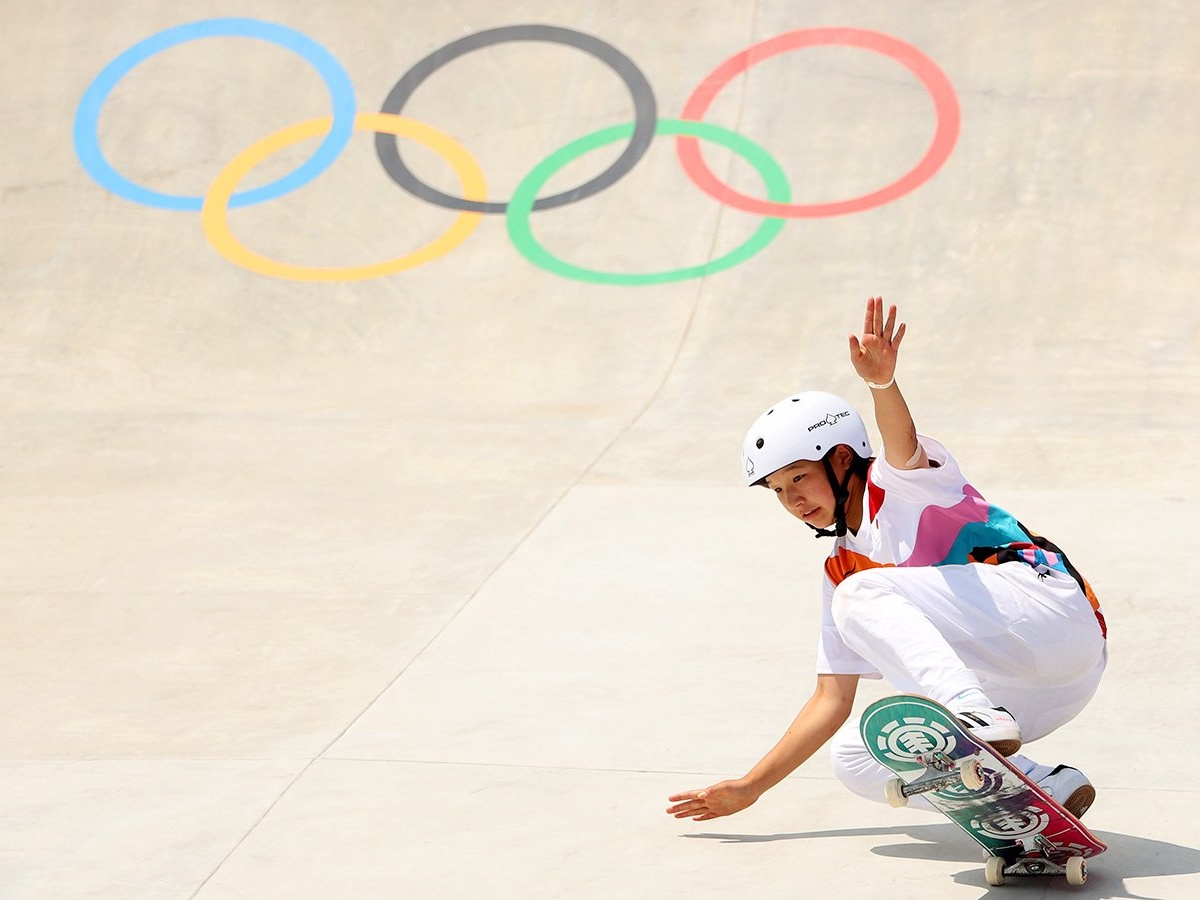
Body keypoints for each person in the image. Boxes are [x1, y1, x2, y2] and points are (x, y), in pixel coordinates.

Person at [666, 297, 1107, 824]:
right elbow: (831, 698)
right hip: (1036, 691)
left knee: (862, 593)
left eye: (800, 477)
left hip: (1052, 617)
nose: (793, 501)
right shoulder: (840, 568)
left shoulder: (897, 486)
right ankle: (1041, 786)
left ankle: (973, 717)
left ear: (842, 458)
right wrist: (750, 788)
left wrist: (881, 384)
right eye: (779, 491)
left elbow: (901, 446)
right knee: (858, 756)